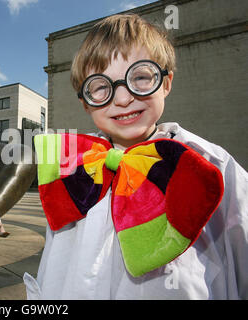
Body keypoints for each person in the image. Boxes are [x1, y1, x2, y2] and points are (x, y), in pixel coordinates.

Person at [23, 14, 248, 299]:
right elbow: (56, 256)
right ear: (84, 102)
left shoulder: (212, 167)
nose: (122, 98)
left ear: (165, 82)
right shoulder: (72, 166)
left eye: (140, 77)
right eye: (101, 86)